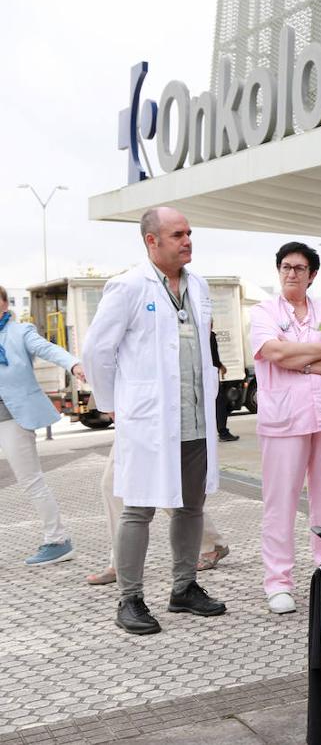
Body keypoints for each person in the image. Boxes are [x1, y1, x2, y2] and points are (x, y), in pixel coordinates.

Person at [82, 206, 228, 634]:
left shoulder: (197, 284)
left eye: (189, 233)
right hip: (149, 420)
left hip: (195, 417)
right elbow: (96, 351)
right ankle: (130, 598)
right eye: (178, 234)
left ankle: (184, 588)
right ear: (152, 240)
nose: (187, 241)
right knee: (138, 508)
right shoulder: (128, 286)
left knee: (191, 507)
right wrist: (113, 403)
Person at [250, 242, 321, 614]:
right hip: (285, 419)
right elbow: (274, 353)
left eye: (300, 268)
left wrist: (302, 360)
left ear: (312, 275)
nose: (292, 273)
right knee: (281, 502)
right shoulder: (264, 312)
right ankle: (278, 582)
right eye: (286, 267)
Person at [0, 284, 85, 565]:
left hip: (12, 417)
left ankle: (57, 540)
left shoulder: (19, 332)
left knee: (30, 480)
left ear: (4, 304)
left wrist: (73, 364)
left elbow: (47, 349)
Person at [84, 442, 231, 585]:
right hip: (131, 429)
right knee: (113, 485)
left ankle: (211, 543)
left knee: (165, 489)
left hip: (160, 430)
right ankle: (121, 563)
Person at [210, 322, 239, 442]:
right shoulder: (210, 336)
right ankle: (223, 432)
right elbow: (214, 357)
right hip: (211, 374)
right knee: (220, 403)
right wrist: (221, 366)